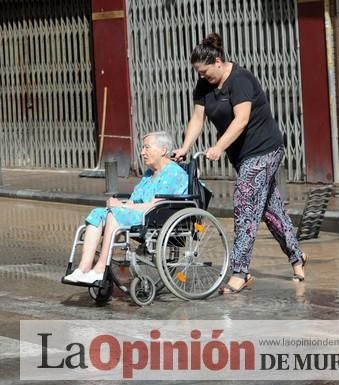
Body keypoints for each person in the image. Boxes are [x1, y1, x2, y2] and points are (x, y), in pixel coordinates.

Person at [173, 33, 307, 294]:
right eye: (198, 73)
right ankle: (297, 256)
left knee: (245, 203)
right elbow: (197, 119)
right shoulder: (203, 86)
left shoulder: (241, 80)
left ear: (219, 62)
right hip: (242, 157)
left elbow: (241, 119)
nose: (202, 77)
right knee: (271, 210)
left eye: (205, 72)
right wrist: (185, 147)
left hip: (265, 150)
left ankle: (240, 271)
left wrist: (219, 147)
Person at [64, 131, 188, 284]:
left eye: (147, 147)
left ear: (162, 150)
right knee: (97, 214)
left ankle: (100, 268)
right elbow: (134, 200)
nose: (142, 152)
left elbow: (157, 206)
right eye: (143, 148)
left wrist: (120, 207)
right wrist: (120, 204)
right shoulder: (150, 174)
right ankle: (83, 268)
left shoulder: (174, 173)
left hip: (155, 217)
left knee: (115, 214)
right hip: (140, 213)